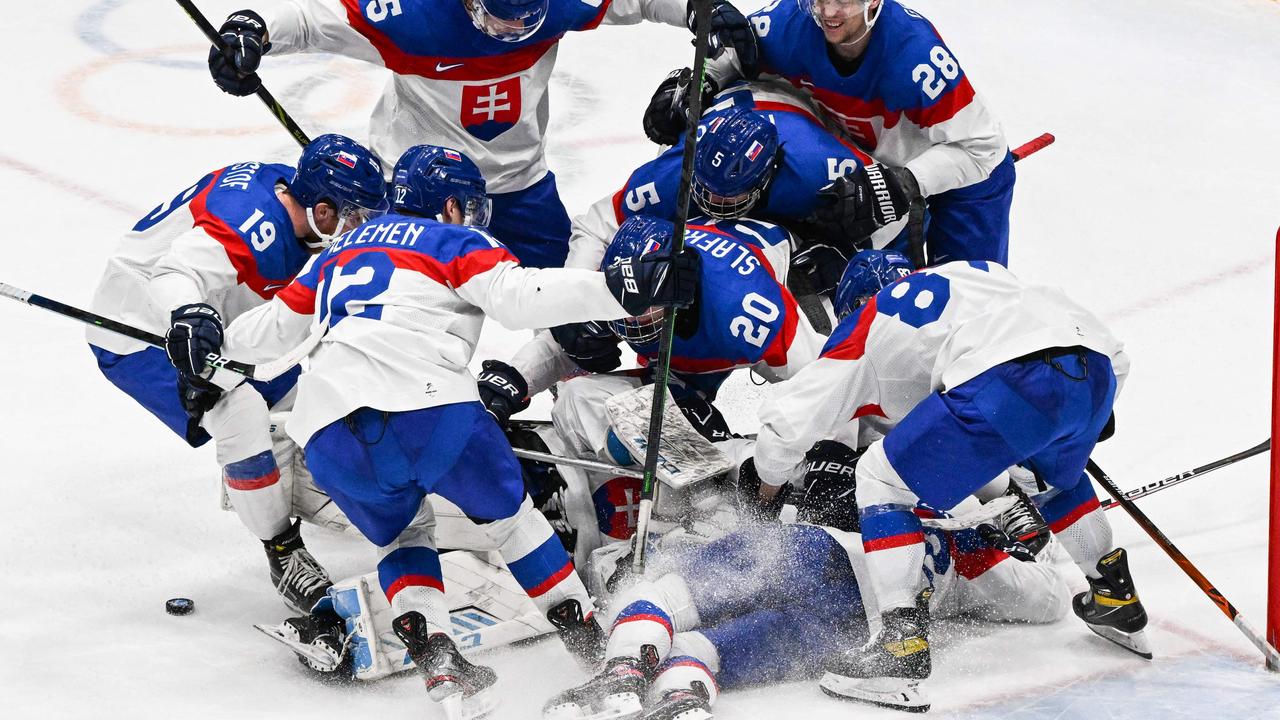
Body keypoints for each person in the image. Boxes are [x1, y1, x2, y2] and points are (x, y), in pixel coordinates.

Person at [214, 144, 699, 715]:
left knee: (402, 536)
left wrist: (201, 340)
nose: (470, 217)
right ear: (447, 206)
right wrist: (620, 290)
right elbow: (522, 299)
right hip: (431, 411)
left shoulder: (335, 253)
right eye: (465, 206)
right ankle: (590, 646)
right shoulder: (452, 240)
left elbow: (264, 335)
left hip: (326, 435)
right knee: (514, 522)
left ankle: (443, 673)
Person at [749, 252, 1148, 711]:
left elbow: (784, 427)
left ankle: (897, 647)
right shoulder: (973, 274)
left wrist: (767, 486)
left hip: (1010, 375)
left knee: (879, 479)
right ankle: (1116, 597)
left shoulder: (864, 328)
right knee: (1050, 477)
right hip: (1098, 366)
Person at [205, 0, 758, 268]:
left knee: (573, 308)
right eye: (500, 17)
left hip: (520, 182)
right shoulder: (410, 16)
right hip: (415, 190)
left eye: (527, 16)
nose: (515, 31)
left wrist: (699, 9)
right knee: (395, 309)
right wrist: (252, 31)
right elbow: (313, 21)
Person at [541, 440, 1070, 719]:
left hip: (818, 553)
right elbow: (1049, 603)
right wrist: (992, 546)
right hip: (854, 629)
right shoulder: (972, 548)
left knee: (667, 596)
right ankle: (682, 695)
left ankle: (624, 669)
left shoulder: (916, 463)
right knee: (708, 649)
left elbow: (761, 457)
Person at [87, 133, 388, 613]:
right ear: (325, 211)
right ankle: (282, 549)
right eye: (357, 215)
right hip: (143, 327)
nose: (363, 226)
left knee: (303, 383)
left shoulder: (291, 199)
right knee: (237, 408)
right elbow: (173, 275)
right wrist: (188, 313)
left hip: (216, 311)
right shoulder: (254, 226)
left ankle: (286, 475)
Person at [647, 0, 1015, 266]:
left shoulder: (916, 57)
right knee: (898, 303)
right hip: (873, 162)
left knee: (972, 299)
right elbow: (738, 55)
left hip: (966, 181)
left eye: (843, 0)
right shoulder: (792, 21)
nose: (828, 12)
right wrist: (698, 84)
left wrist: (905, 182)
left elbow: (983, 147)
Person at [567, 81, 908, 302]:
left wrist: (850, 251)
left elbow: (895, 205)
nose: (716, 207)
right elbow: (595, 224)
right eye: (709, 193)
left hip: (793, 105)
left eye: (730, 197)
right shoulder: (674, 175)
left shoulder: (821, 167)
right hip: (731, 103)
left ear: (769, 173)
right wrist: (577, 300)